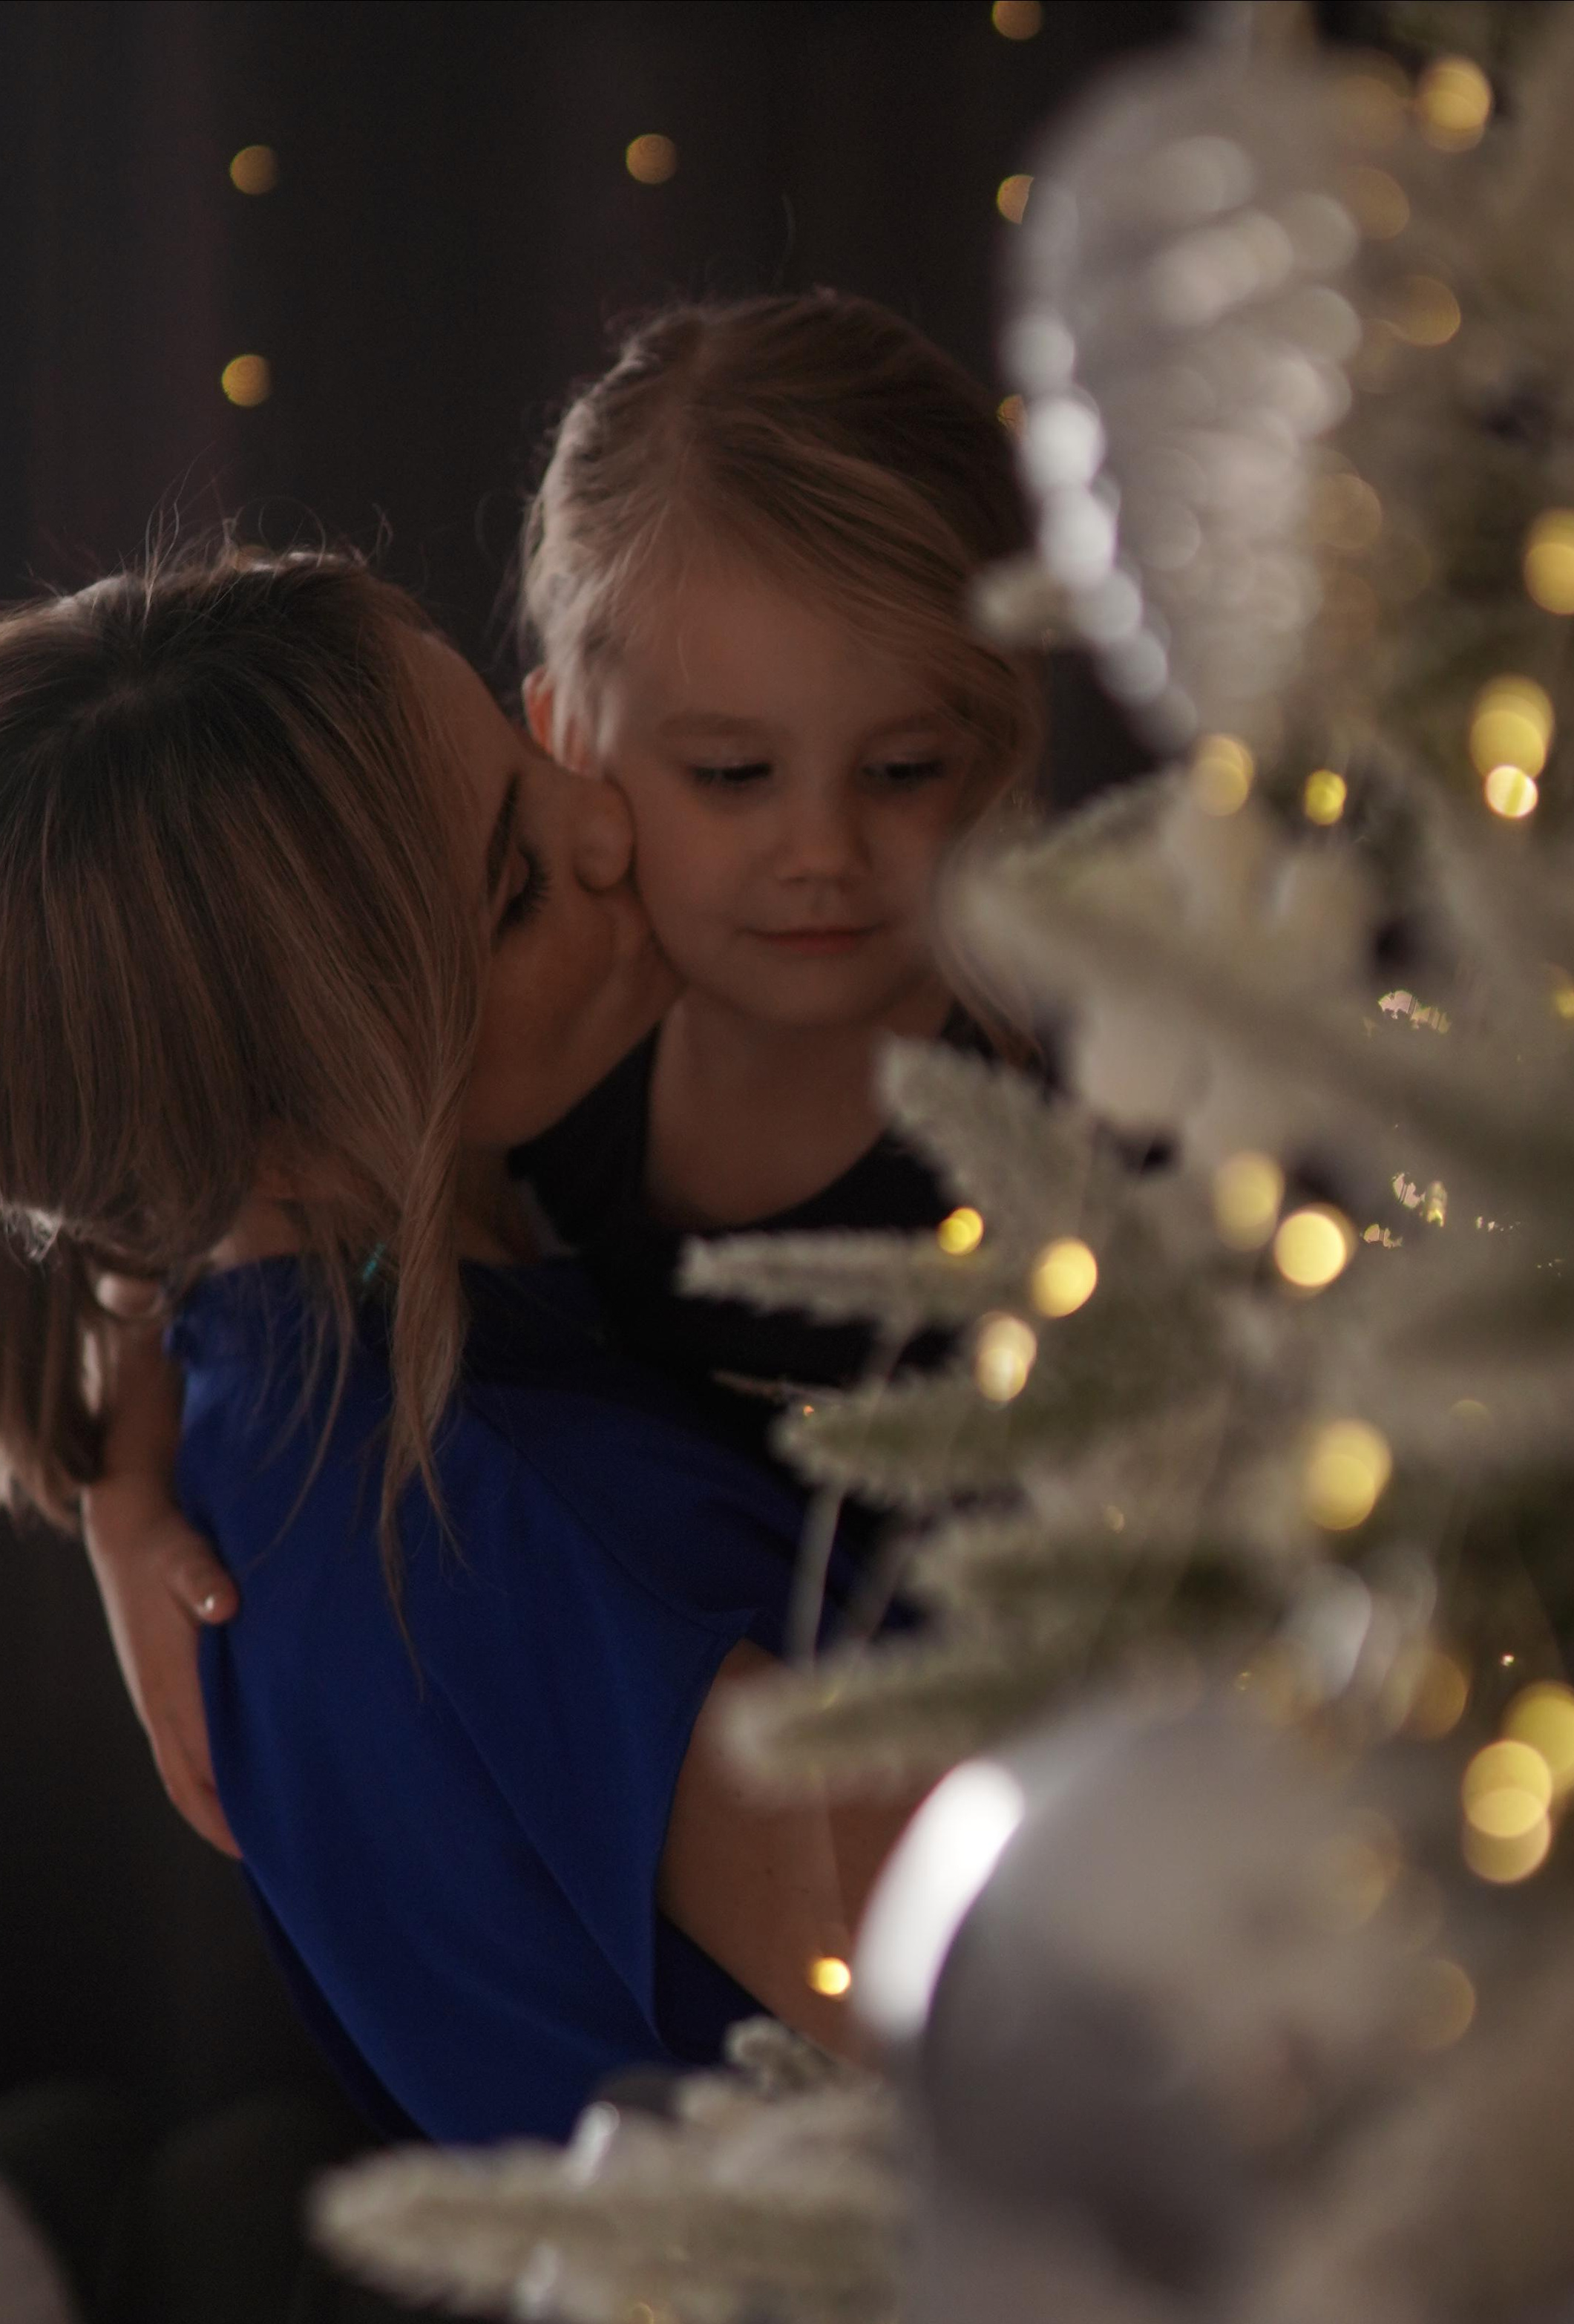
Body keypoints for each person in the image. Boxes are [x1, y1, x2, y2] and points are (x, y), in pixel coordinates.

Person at [0, 545, 914, 2146]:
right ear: (294, 1124)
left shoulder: (251, 1374)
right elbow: (1072, 2003)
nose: (606, 822)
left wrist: (126, 1441)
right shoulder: (500, 1520)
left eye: (520, 754)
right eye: (513, 886)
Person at [91, 292, 1044, 1849]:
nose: (818, 852)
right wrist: (121, 1501)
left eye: (903, 770)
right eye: (730, 775)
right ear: (563, 740)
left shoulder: (1082, 1140)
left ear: (1004, 740)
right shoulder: (537, 1056)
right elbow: (172, 1186)